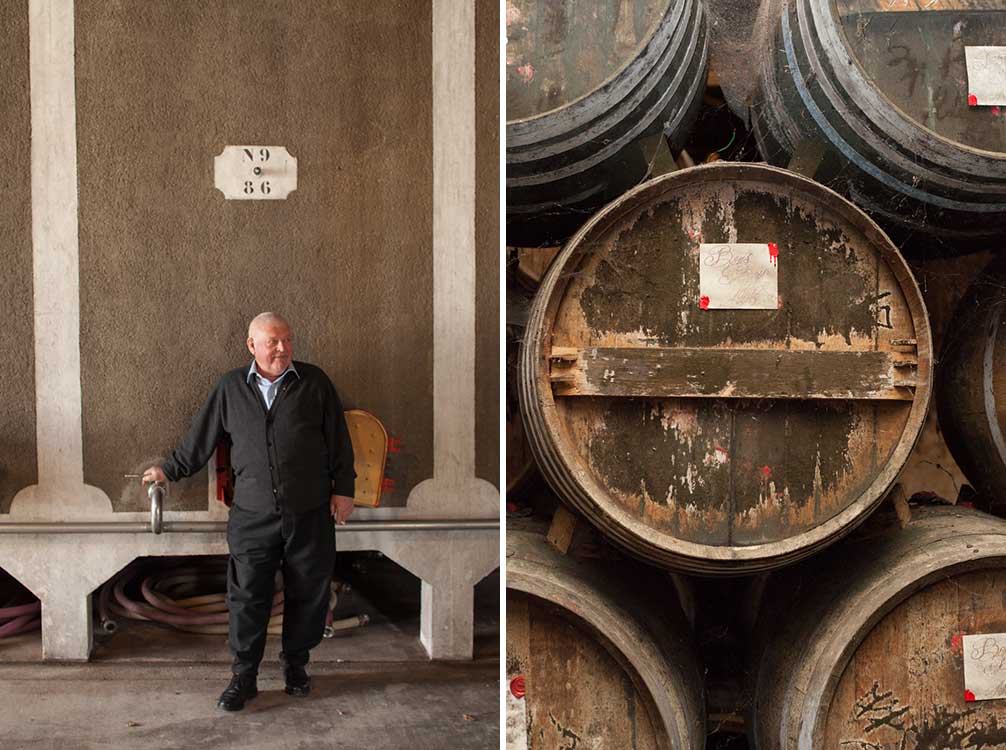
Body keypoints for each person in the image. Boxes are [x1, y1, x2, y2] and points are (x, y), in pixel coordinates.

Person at [142, 312, 356, 711]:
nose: (282, 348)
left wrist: (344, 490)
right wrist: (169, 470)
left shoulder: (314, 382)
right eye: (273, 341)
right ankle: (245, 676)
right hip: (252, 515)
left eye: (287, 340)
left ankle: (296, 665)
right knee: (247, 597)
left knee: (308, 592)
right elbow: (199, 440)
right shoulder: (230, 388)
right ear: (251, 346)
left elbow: (339, 441)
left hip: (309, 513)